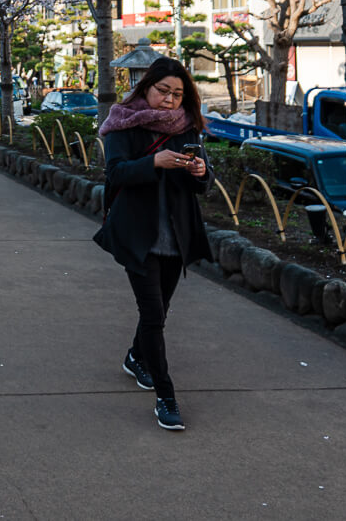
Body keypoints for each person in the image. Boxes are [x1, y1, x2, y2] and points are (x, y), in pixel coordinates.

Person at [92, 56, 211, 433]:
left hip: (176, 236)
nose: (171, 100)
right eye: (164, 91)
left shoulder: (187, 127)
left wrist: (200, 171)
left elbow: (202, 185)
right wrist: (154, 162)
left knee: (158, 312)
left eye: (178, 93)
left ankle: (134, 357)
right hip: (138, 234)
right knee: (154, 315)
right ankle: (166, 396)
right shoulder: (123, 124)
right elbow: (114, 174)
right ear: (146, 87)